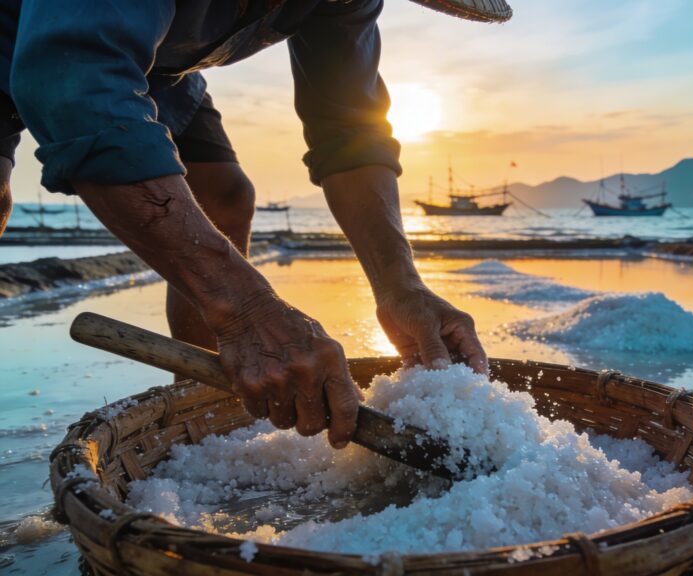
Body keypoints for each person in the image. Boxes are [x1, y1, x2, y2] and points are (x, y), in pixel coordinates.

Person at [0, 1, 511, 449]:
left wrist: (402, 286)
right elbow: (75, 79)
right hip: (47, 35)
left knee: (226, 196)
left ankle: (201, 412)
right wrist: (243, 306)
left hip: (164, 62)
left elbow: (350, 129)